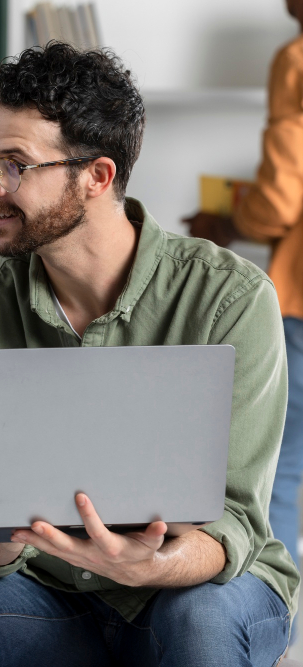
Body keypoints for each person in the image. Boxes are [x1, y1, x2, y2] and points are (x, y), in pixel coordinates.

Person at [0, 44, 299, 667]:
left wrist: (155, 565)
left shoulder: (230, 298)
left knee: (201, 618)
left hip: (194, 588)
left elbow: (235, 518)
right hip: (44, 594)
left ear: (97, 177)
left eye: (14, 165)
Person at [185, 0, 303, 578]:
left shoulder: (298, 58)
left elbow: (280, 201)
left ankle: (271, 620)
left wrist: (226, 220)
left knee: (275, 471)